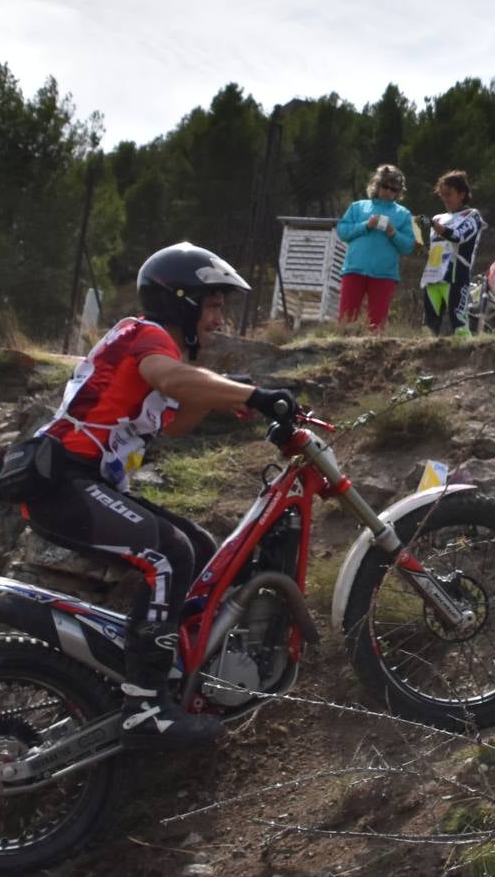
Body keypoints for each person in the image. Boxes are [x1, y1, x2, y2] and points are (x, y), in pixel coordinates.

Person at [22, 242, 298, 749]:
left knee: (195, 545)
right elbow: (170, 378)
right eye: (212, 305)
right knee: (167, 553)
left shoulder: (163, 355)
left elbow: (175, 421)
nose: (217, 320)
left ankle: (172, 672)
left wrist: (222, 397)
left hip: (87, 484)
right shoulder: (144, 334)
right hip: (63, 481)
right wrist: (252, 394)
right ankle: (145, 706)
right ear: (182, 302)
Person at [334, 164, 416, 331]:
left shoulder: (404, 214)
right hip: (354, 269)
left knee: (377, 324)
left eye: (394, 189)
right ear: (377, 185)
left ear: (398, 192)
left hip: (384, 274)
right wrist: (366, 225)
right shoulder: (357, 207)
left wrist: (393, 233)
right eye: (385, 186)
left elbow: (408, 246)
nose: (388, 192)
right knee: (346, 319)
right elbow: (342, 231)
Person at [421, 169, 486, 337]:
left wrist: (437, 227)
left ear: (462, 194)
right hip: (433, 277)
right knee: (428, 327)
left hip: (456, 279)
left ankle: (470, 361)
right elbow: (434, 249)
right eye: (442, 194)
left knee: (459, 325)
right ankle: (426, 362)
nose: (444, 198)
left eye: (448, 194)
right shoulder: (439, 218)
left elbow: (458, 237)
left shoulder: (472, 215)